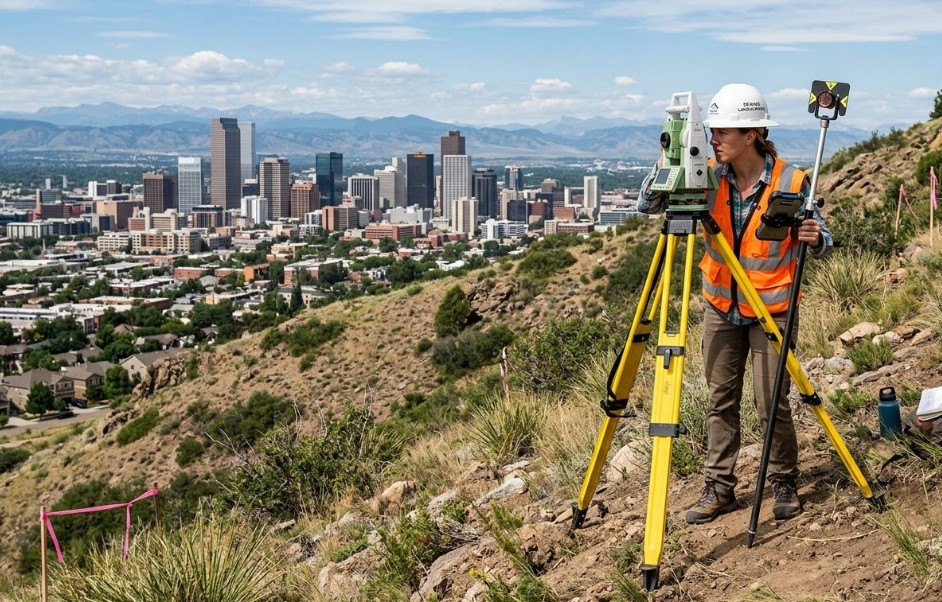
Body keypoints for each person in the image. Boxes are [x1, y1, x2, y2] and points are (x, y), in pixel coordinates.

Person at [636, 83, 833, 524]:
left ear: (752, 134)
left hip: (772, 311)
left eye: (723, 132)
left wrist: (816, 239)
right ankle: (719, 486)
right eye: (712, 133)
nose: (714, 140)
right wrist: (668, 162)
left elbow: (823, 238)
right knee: (720, 400)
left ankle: (783, 479)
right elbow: (646, 205)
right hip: (722, 310)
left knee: (770, 402)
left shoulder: (791, 181)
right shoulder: (704, 175)